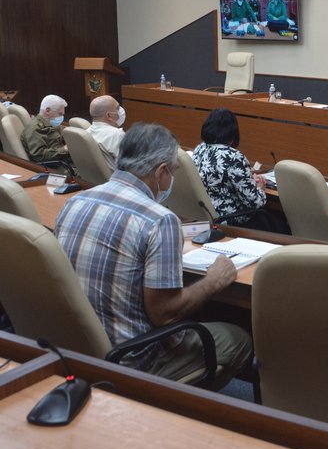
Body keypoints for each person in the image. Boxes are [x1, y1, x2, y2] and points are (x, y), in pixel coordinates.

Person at [54, 123, 252, 388]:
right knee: (238, 338)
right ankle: (168, 409)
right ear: (161, 171)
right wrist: (215, 280)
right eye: (173, 172)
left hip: (76, 349)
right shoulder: (159, 220)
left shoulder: (76, 202)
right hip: (129, 361)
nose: (172, 181)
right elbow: (166, 315)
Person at [193, 108, 280, 232]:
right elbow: (256, 203)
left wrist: (247, 179)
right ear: (233, 132)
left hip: (207, 214)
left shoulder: (200, 149)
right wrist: (260, 187)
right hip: (230, 219)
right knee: (278, 223)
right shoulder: (232, 156)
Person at [21, 94, 73, 166]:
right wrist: (65, 149)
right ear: (47, 111)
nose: (62, 117)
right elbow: (39, 156)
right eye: (60, 114)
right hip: (56, 166)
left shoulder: (52, 123)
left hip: (66, 160)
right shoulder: (34, 128)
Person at [87, 95, 126, 172]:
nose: (121, 110)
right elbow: (129, 165)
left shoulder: (87, 132)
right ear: (109, 115)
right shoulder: (116, 135)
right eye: (117, 108)